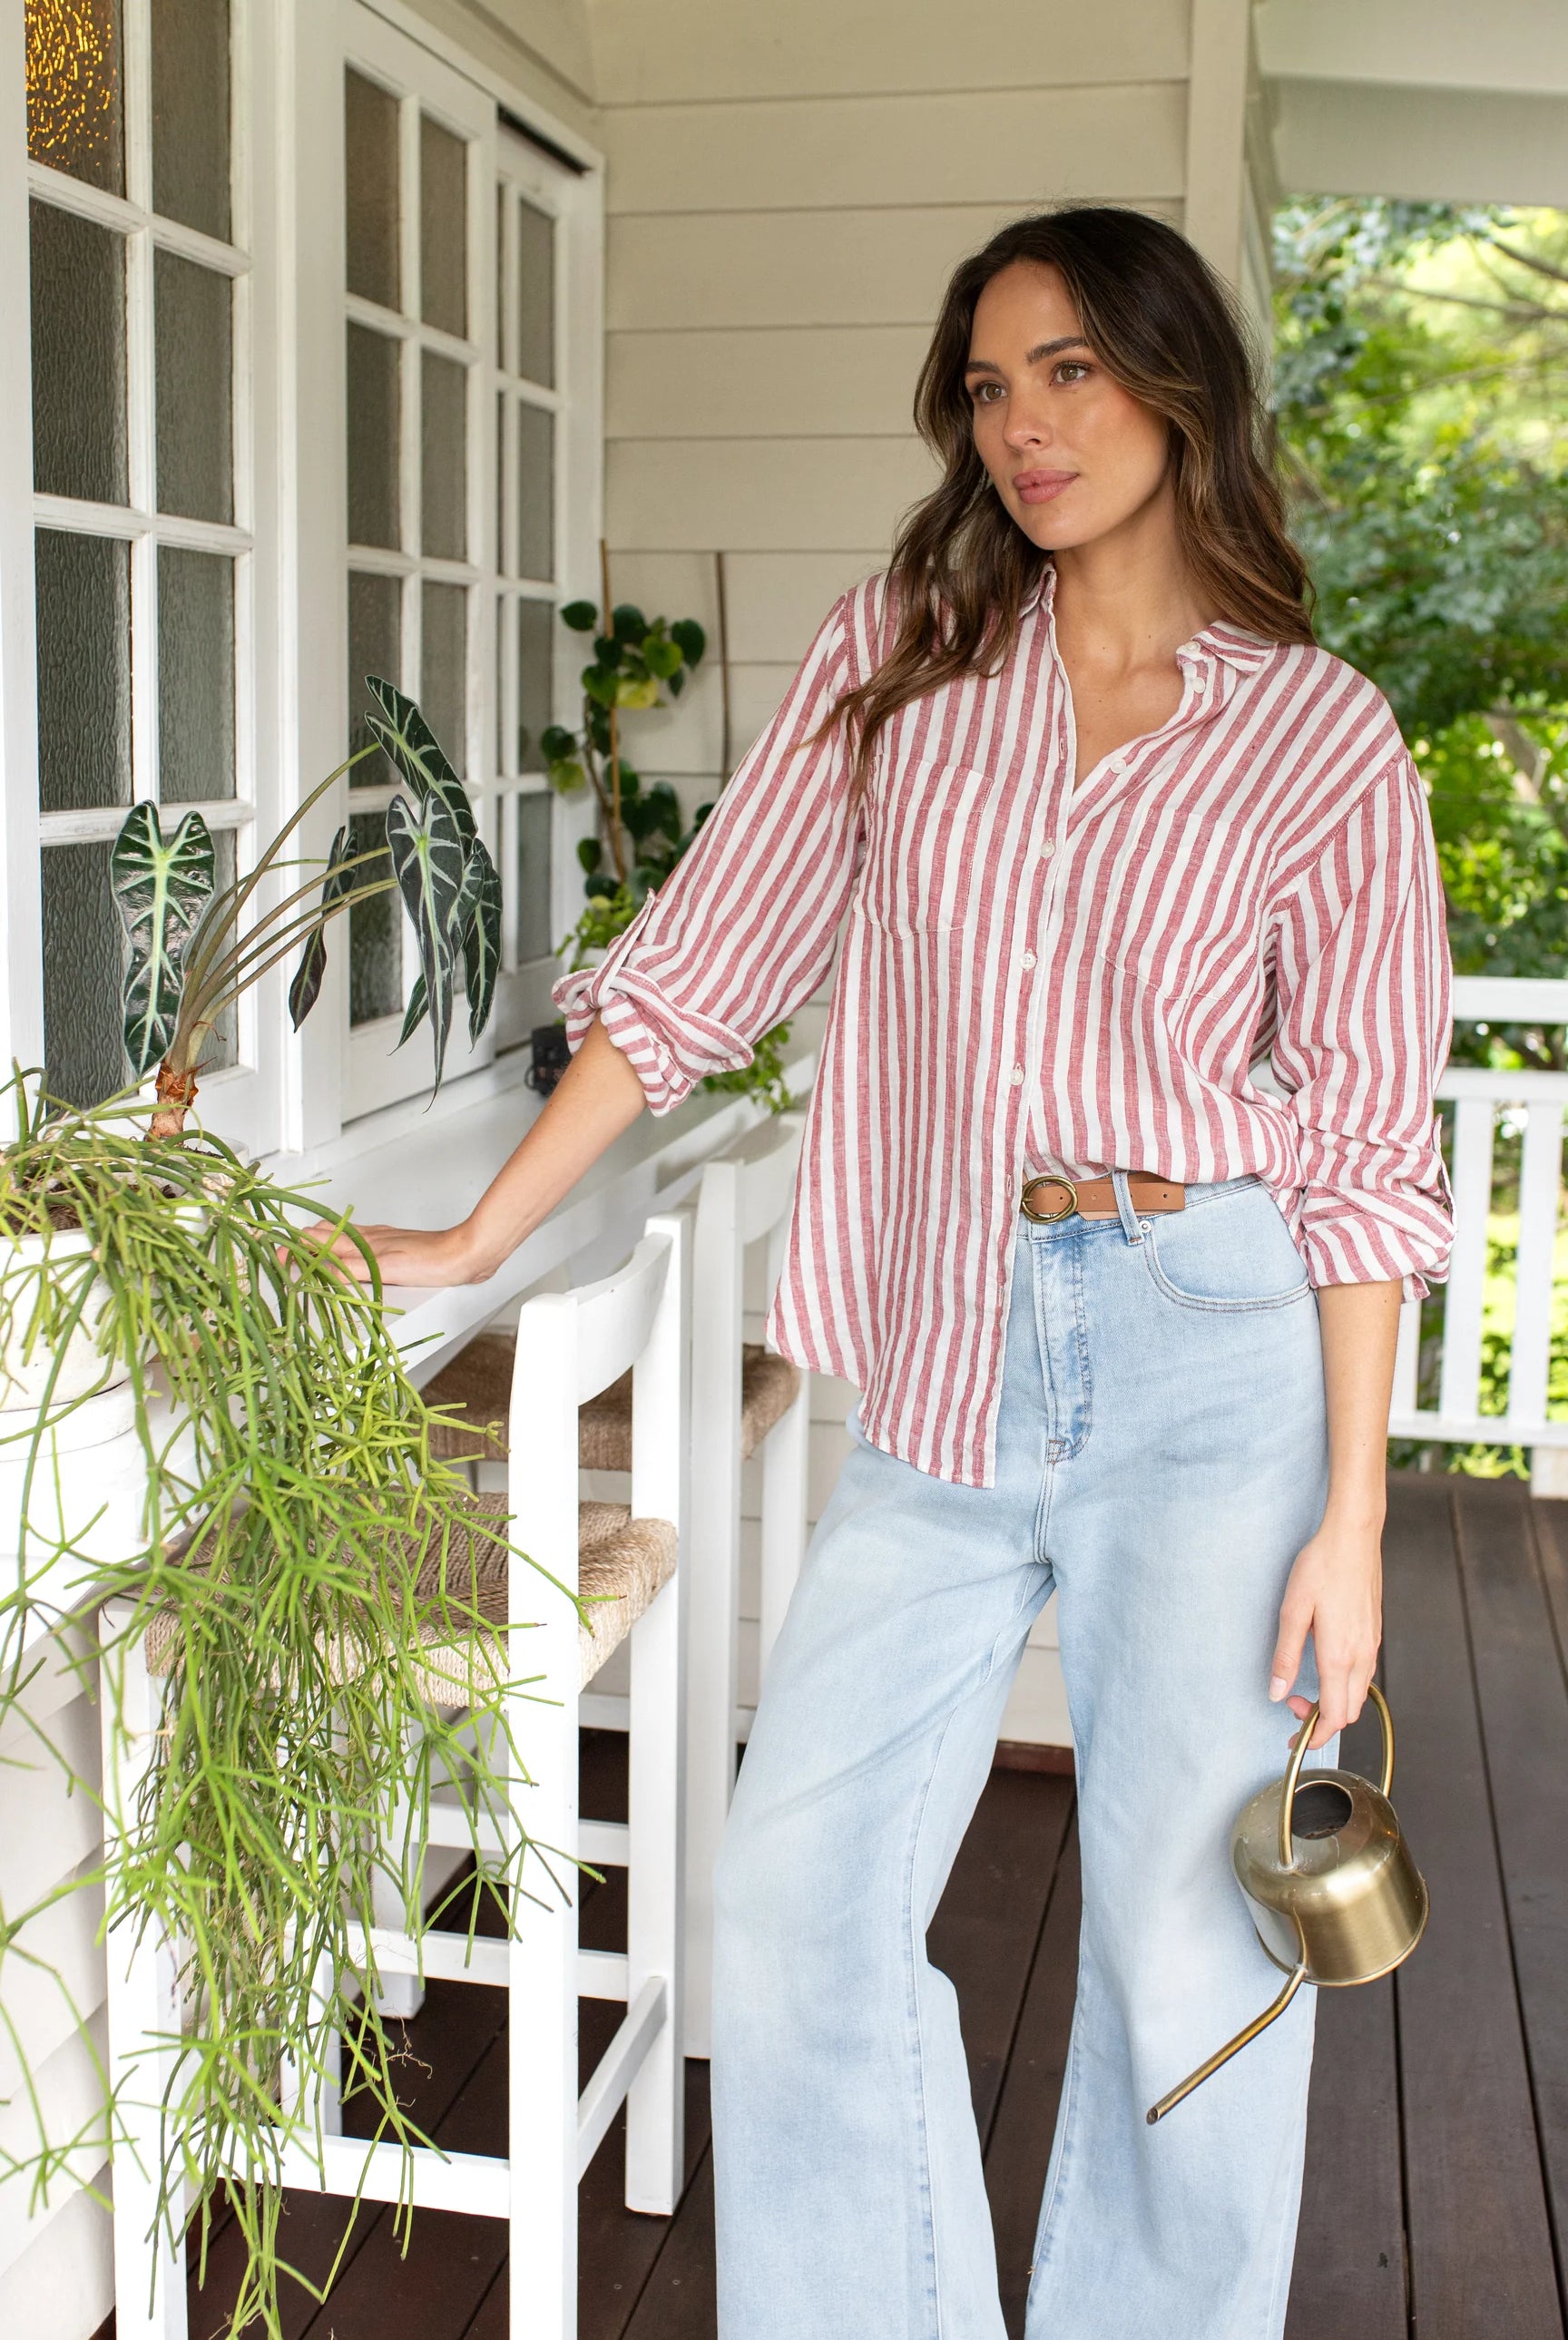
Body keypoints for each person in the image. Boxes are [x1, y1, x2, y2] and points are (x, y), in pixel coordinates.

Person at [313, 208, 1452, 2339]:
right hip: (948, 1345)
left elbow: (1370, 1159)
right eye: (991, 387)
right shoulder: (902, 650)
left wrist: (1356, 1520)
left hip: (1214, 1349)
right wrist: (475, 1230)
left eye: (1072, 374)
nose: (1025, 427)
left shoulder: (1323, 742)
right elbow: (702, 967)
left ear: (1175, 381)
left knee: (1185, 1951)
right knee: (798, 1897)